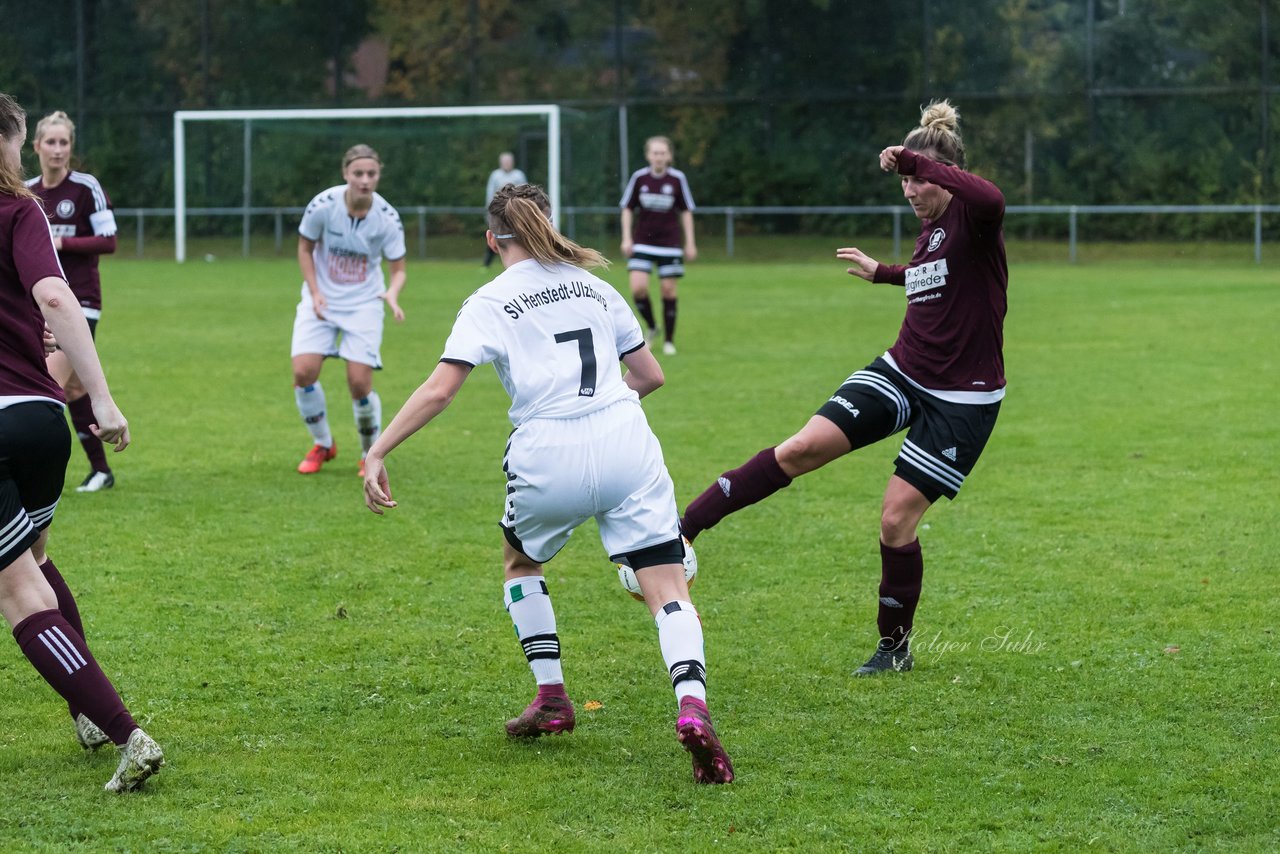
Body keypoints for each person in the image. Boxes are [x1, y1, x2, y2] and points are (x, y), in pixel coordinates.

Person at [363, 183, 733, 785]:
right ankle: (692, 705)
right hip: (625, 438)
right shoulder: (595, 285)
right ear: (548, 226)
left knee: (520, 564)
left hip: (546, 449)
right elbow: (650, 375)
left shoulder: (488, 299)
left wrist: (378, 449)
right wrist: (604, 410)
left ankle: (553, 697)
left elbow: (440, 390)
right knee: (667, 586)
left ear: (492, 239)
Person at [679, 100, 1008, 677]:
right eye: (904, 181)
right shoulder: (930, 231)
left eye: (918, 180)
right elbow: (937, 276)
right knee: (801, 447)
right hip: (903, 369)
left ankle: (894, 648)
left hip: (963, 397)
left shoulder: (975, 217)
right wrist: (886, 273)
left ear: (945, 177)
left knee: (895, 520)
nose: (909, 190)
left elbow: (991, 197)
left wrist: (914, 158)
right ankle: (682, 530)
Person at [0, 92, 163, 792]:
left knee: (17, 591)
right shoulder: (20, 208)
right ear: (14, 144)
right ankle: (87, 714)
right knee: (35, 554)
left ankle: (127, 733)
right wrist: (99, 398)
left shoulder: (29, 204)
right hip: (40, 421)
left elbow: (64, 299)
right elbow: (55, 299)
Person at [292, 143, 407, 476]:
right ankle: (323, 445)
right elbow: (304, 248)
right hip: (322, 298)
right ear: (346, 174)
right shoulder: (323, 206)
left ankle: (369, 453)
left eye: (371, 174)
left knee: (358, 382)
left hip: (364, 304)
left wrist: (393, 294)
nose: (365, 180)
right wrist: (314, 292)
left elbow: (398, 268)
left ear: (378, 175)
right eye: (358, 173)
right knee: (303, 372)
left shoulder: (387, 218)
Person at [26, 111, 118, 493]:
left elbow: (109, 240)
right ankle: (101, 471)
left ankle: (29, 471)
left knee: (47, 384)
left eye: (64, 143)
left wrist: (60, 242)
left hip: (80, 303)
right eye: (51, 142)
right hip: (37, 304)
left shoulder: (85, 188)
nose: (58, 150)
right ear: (36, 147)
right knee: (75, 389)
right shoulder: (26, 190)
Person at [619, 136, 696, 356]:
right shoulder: (639, 178)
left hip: (669, 243)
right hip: (643, 240)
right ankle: (653, 326)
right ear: (648, 155)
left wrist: (690, 242)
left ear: (669, 156)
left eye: (663, 153)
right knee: (638, 288)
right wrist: (626, 238)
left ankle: (670, 340)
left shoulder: (677, 179)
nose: (659, 157)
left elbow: (686, 210)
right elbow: (627, 207)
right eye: (655, 153)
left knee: (668, 290)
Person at [482, 151, 527, 268]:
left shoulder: (518, 175)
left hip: (515, 211)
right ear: (500, 162)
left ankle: (521, 260)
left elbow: (526, 193)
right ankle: (487, 263)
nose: (507, 163)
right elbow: (490, 194)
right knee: (496, 235)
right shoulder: (495, 175)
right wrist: (489, 211)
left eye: (509, 161)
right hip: (499, 212)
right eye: (504, 161)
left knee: (517, 235)